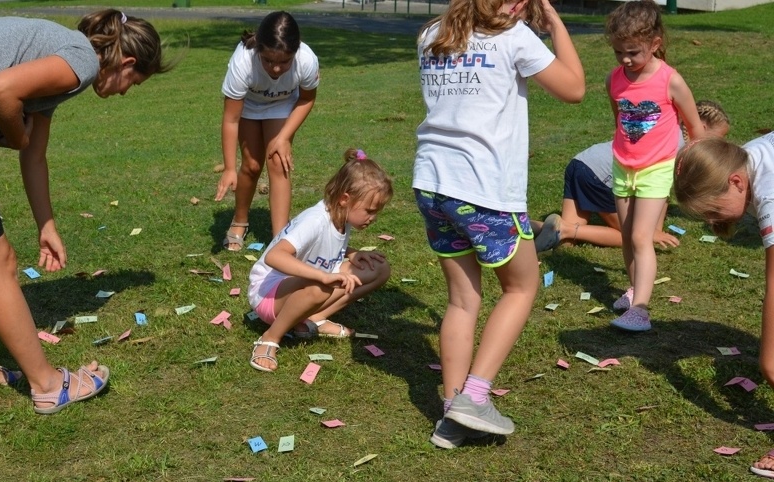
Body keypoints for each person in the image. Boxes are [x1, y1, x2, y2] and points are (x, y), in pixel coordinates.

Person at [0, 9, 172, 412]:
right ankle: (48, 386)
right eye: (133, 81)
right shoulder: (80, 60)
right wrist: (14, 134)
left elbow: (35, 156)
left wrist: (46, 224)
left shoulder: (57, 51)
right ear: (127, 62)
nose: (125, 91)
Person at [413, 0, 585, 448]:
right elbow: (574, 88)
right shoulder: (514, 37)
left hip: (432, 182)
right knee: (521, 287)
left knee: (462, 300)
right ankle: (474, 396)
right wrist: (556, 23)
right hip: (484, 189)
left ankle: (451, 418)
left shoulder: (431, 34)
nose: (521, 5)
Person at [673, 133, 774, 480]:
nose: (714, 221)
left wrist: (769, 361)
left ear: (735, 182)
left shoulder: (769, 192)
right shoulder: (742, 159)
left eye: (714, 211)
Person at [605, 0, 704, 332]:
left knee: (641, 236)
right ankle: (634, 290)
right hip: (623, 166)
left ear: (655, 44)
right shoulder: (614, 79)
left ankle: (641, 311)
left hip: (656, 168)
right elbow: (619, 120)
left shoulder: (670, 80)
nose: (625, 60)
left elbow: (695, 128)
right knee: (626, 236)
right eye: (619, 52)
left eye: (633, 52)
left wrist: (691, 165)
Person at [247, 149, 392, 372]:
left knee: (379, 269)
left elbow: (323, 247)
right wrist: (323, 276)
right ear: (345, 199)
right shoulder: (315, 220)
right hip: (267, 295)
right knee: (321, 285)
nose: (373, 218)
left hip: (298, 288)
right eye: (370, 211)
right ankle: (270, 338)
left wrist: (352, 253)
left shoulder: (341, 217)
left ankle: (313, 318)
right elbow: (275, 256)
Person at [532, 100, 731, 251]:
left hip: (581, 162)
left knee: (567, 241)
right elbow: (658, 192)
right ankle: (564, 229)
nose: (718, 144)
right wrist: (653, 231)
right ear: (702, 127)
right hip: (599, 175)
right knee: (632, 237)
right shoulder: (679, 148)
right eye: (718, 138)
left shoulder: (667, 127)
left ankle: (524, 227)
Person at [215, 11, 320, 250]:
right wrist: (230, 168)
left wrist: (283, 137)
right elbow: (231, 119)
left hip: (282, 105)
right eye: (268, 61)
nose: (275, 69)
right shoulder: (243, 61)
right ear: (258, 50)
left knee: (277, 161)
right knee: (251, 166)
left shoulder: (307, 60)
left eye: (284, 62)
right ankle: (240, 221)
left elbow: (306, 99)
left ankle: (280, 237)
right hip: (249, 106)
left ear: (295, 52)